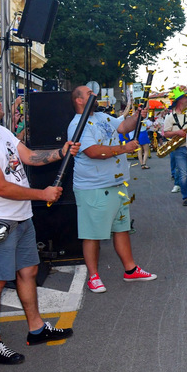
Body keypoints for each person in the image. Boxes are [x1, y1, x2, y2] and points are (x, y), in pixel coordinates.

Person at [0, 92, 79, 364]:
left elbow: (29, 157)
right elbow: (1, 188)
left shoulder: (1, 132)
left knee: (29, 271)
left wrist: (61, 152)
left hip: (21, 217)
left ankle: (36, 329)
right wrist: (42, 194)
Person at [69, 86, 157, 294]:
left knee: (121, 228)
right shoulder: (76, 124)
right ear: (79, 100)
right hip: (94, 187)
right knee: (92, 234)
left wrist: (137, 116)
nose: (95, 96)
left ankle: (130, 269)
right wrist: (124, 148)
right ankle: (93, 277)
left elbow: (123, 126)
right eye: (89, 94)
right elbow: (92, 151)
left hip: (116, 184)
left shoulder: (102, 116)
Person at [163, 89, 187, 205]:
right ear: (180, 101)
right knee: (183, 173)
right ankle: (185, 197)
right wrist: (178, 132)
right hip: (179, 148)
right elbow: (166, 134)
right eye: (185, 99)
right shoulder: (170, 117)